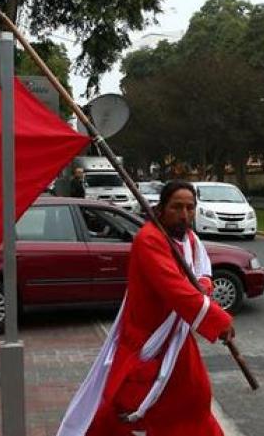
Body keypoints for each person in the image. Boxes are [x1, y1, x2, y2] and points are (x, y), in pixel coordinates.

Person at [57, 180, 235, 436]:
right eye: (177, 207)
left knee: (194, 396)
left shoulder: (188, 238)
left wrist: (204, 285)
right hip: (148, 340)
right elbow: (175, 288)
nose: (184, 215)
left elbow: (200, 268)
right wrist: (218, 320)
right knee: (128, 406)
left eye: (190, 208)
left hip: (175, 336)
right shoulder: (149, 240)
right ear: (161, 208)